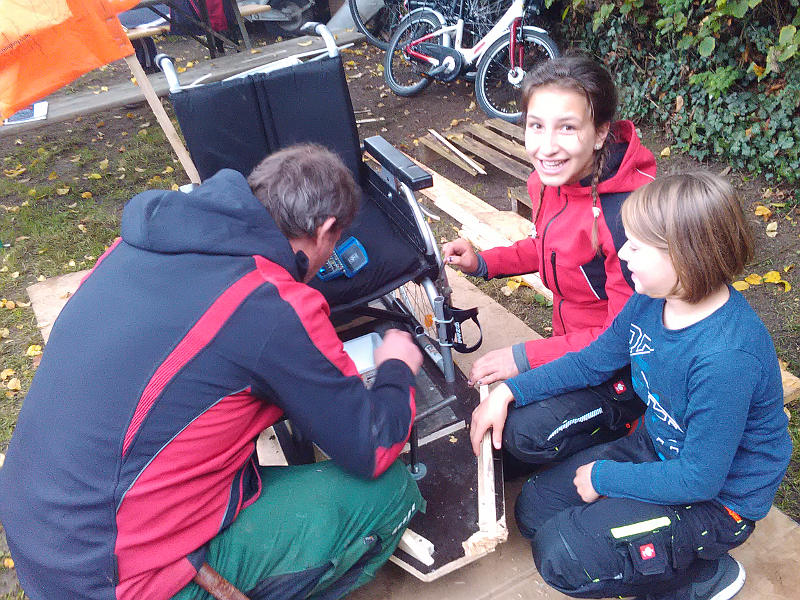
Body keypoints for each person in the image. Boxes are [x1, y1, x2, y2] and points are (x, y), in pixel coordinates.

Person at [0, 144, 424, 599]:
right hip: (112, 581)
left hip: (42, 538)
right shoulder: (268, 303)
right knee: (390, 492)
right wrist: (397, 366)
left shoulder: (133, 246)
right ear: (324, 231)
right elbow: (372, 445)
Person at [470, 172, 792, 600]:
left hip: (718, 502)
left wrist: (606, 478)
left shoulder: (725, 360)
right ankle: (633, 525)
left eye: (637, 246)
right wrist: (510, 392)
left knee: (562, 555)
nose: (622, 253)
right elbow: (592, 362)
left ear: (686, 256)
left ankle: (700, 577)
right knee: (532, 514)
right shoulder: (651, 300)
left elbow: (699, 479)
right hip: (658, 447)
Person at [443, 55, 656, 466]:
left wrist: (523, 358)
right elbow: (547, 246)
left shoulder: (629, 219)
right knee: (490, 427)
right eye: (536, 126)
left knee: (515, 440)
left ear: (600, 134)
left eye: (568, 127)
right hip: (572, 347)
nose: (546, 147)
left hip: (620, 372)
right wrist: (482, 262)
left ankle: (623, 434)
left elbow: (623, 341)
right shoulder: (550, 181)